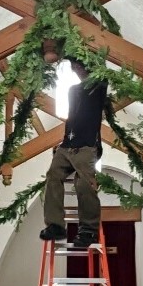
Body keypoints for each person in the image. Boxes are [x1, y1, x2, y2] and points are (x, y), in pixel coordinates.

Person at [40, 58, 107, 248]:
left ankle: (88, 229)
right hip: (68, 143)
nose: (77, 69)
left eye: (80, 65)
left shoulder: (99, 85)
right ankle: (55, 225)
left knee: (84, 184)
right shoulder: (72, 90)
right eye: (75, 66)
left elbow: (101, 75)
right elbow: (73, 117)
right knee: (53, 176)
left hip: (87, 145)